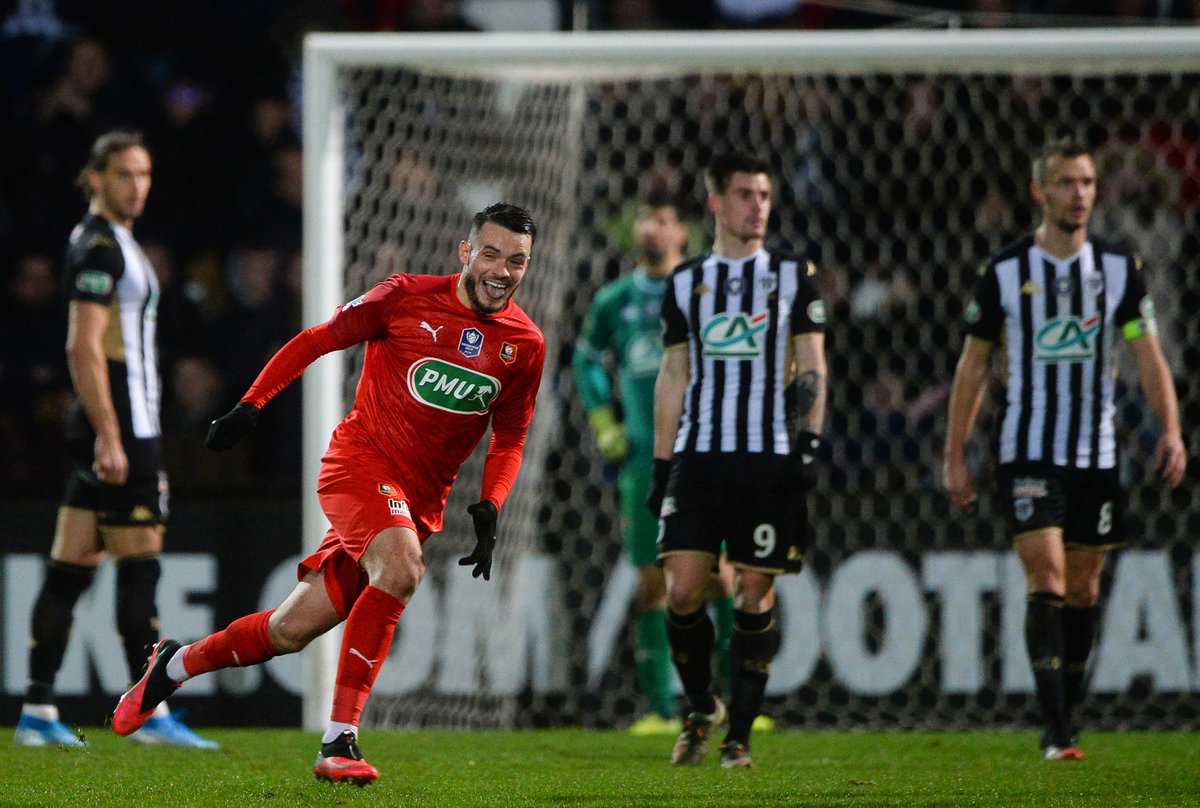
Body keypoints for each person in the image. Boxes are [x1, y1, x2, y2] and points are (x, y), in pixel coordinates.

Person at [113, 203, 546, 786]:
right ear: (465, 252)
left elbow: (512, 435)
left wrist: (493, 500)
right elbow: (317, 340)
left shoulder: (526, 343)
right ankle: (339, 740)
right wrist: (251, 404)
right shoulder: (404, 297)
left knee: (289, 631)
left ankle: (175, 664)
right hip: (358, 465)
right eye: (491, 253)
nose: (502, 270)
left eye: (516, 260)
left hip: (415, 502)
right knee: (402, 568)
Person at [942, 137, 1186, 761]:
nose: (1078, 194)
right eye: (1065, 183)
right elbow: (972, 366)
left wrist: (1171, 430)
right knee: (1046, 576)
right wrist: (956, 452)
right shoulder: (1003, 272)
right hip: (1028, 451)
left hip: (1097, 454)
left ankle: (1065, 711)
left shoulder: (1118, 271)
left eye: (1085, 183)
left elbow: (1146, 353)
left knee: (1084, 590)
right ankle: (1057, 732)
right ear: (1039, 192)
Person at [14, 131, 216, 749]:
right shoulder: (100, 246)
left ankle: (38, 712)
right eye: (125, 174)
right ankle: (149, 715)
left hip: (113, 426)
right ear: (95, 177)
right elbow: (83, 344)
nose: (138, 186)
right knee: (140, 568)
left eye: (145, 174)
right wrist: (110, 434)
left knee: (69, 569)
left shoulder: (108, 240)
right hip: (125, 428)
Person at [650, 152, 827, 769]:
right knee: (683, 590)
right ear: (716, 202)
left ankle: (739, 740)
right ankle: (702, 707)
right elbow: (674, 374)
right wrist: (659, 463)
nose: (759, 205)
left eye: (765, 194)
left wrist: (807, 441)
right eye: (746, 194)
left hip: (768, 459)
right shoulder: (684, 281)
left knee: (755, 591)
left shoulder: (792, 274)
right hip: (699, 456)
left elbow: (813, 364)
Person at [573, 189, 738, 735]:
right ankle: (661, 711)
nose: (651, 226)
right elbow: (587, 360)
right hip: (644, 460)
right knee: (652, 583)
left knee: (719, 578)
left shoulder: (703, 290)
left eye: (663, 218)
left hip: (705, 455)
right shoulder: (614, 300)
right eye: (645, 214)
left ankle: (736, 701)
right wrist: (605, 422)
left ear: (682, 232)